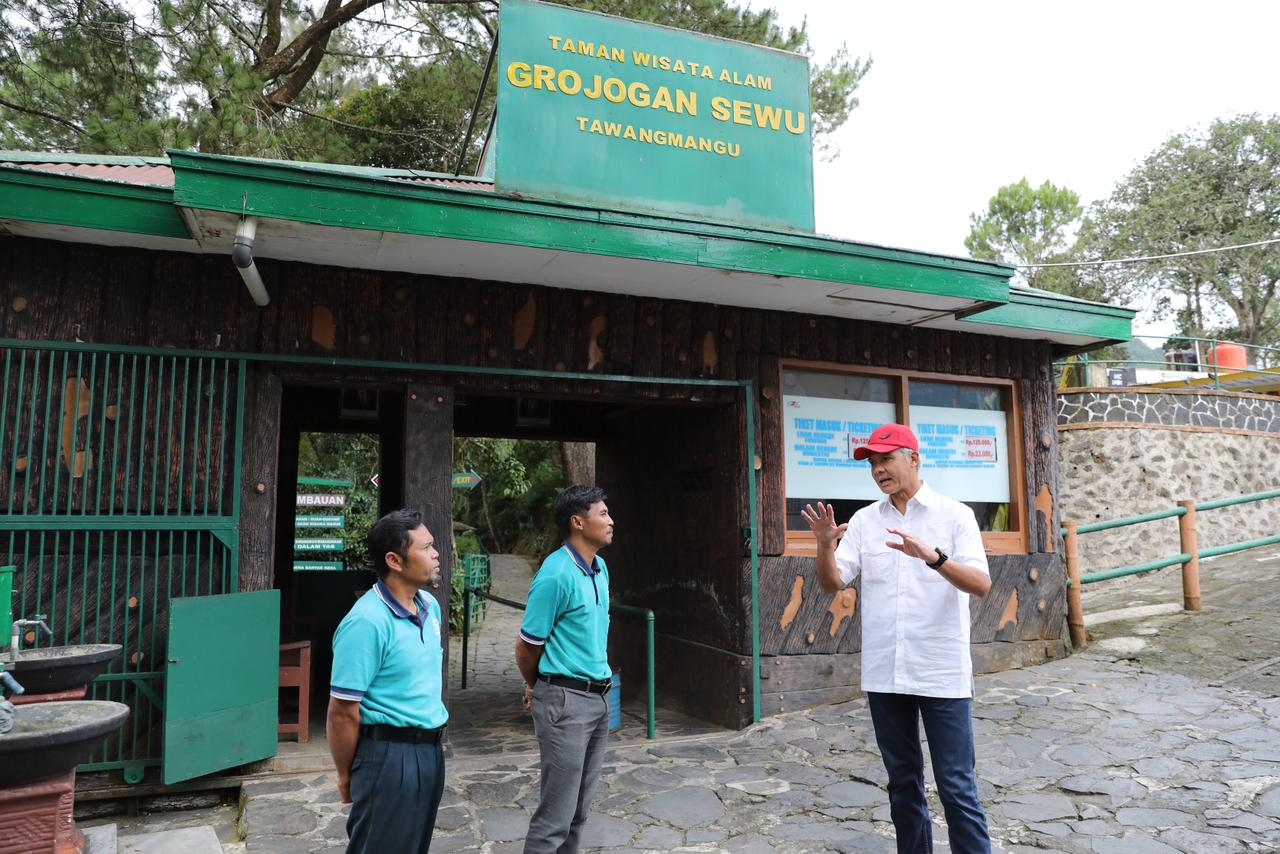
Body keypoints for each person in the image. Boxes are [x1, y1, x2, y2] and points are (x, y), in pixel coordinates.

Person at [803, 423, 993, 854]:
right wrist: (824, 545)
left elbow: (981, 584)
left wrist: (934, 557)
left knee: (956, 786)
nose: (878, 470)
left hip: (941, 669)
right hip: (885, 671)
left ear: (914, 459)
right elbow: (832, 583)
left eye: (886, 459)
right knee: (903, 784)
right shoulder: (866, 521)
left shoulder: (955, 515)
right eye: (872, 463)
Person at [327, 509, 449, 854]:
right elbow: (342, 712)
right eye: (426, 548)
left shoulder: (430, 606)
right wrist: (346, 774)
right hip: (388, 757)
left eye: (433, 545)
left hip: (430, 752)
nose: (436, 554)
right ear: (394, 560)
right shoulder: (366, 622)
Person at [515, 485, 614, 854]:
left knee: (578, 812)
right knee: (555, 818)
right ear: (578, 522)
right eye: (602, 514)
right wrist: (537, 686)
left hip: (599, 698)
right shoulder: (555, 574)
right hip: (565, 702)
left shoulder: (600, 568)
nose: (611, 520)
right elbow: (527, 646)